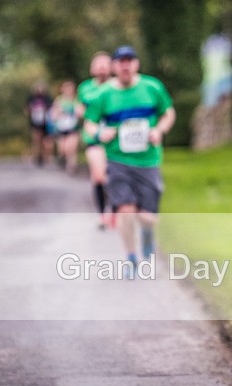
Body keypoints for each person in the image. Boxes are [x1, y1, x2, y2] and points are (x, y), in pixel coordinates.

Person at [83, 46, 176, 278]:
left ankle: (146, 235)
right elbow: (89, 123)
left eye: (129, 61)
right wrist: (99, 134)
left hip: (148, 161)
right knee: (125, 210)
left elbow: (168, 113)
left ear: (136, 64)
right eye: (120, 61)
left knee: (147, 217)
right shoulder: (103, 94)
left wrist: (159, 130)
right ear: (114, 66)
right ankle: (131, 257)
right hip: (117, 160)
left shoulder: (152, 87)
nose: (125, 65)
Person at [77, 51, 113, 229]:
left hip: (114, 140)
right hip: (93, 138)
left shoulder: (116, 86)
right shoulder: (85, 88)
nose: (101, 68)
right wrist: (89, 115)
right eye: (98, 64)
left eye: (105, 64)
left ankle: (112, 210)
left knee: (113, 176)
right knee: (99, 177)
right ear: (92, 68)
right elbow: (80, 109)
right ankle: (102, 214)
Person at [51, 80, 81, 174]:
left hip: (73, 128)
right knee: (63, 149)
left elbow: (81, 113)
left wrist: (77, 112)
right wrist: (58, 113)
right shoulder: (59, 100)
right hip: (61, 128)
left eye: (70, 88)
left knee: (71, 148)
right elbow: (53, 114)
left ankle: (72, 166)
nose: (68, 90)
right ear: (62, 89)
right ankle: (62, 159)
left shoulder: (76, 100)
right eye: (66, 88)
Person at [26, 80, 54, 166]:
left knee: (46, 141)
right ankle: (37, 156)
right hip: (35, 122)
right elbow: (27, 109)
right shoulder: (31, 98)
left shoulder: (47, 98)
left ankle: (46, 157)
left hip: (46, 122)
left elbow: (51, 109)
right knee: (36, 139)